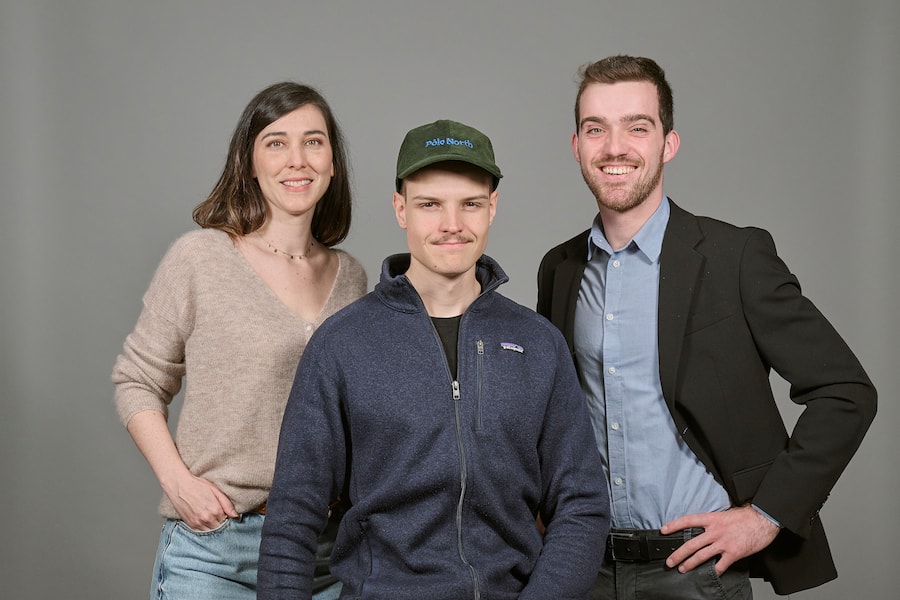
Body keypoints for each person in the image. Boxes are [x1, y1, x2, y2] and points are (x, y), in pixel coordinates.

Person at [537, 54, 877, 598]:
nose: (614, 147)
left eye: (637, 127)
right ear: (576, 146)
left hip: (694, 575)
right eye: (595, 128)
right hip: (583, 569)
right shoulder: (560, 268)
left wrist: (766, 515)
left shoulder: (734, 257)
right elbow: (551, 412)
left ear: (668, 143)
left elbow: (847, 393)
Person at [258, 119, 610, 599]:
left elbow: (582, 506)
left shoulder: (538, 344)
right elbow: (292, 519)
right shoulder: (341, 345)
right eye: (430, 205)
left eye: (470, 204)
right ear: (400, 208)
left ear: (493, 208)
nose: (452, 224)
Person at [112, 81, 367, 600]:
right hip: (216, 551)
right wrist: (178, 484)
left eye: (313, 142)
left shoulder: (354, 279)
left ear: (333, 163)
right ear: (249, 162)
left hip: (323, 552)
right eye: (276, 142)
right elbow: (136, 381)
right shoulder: (201, 259)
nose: (297, 160)